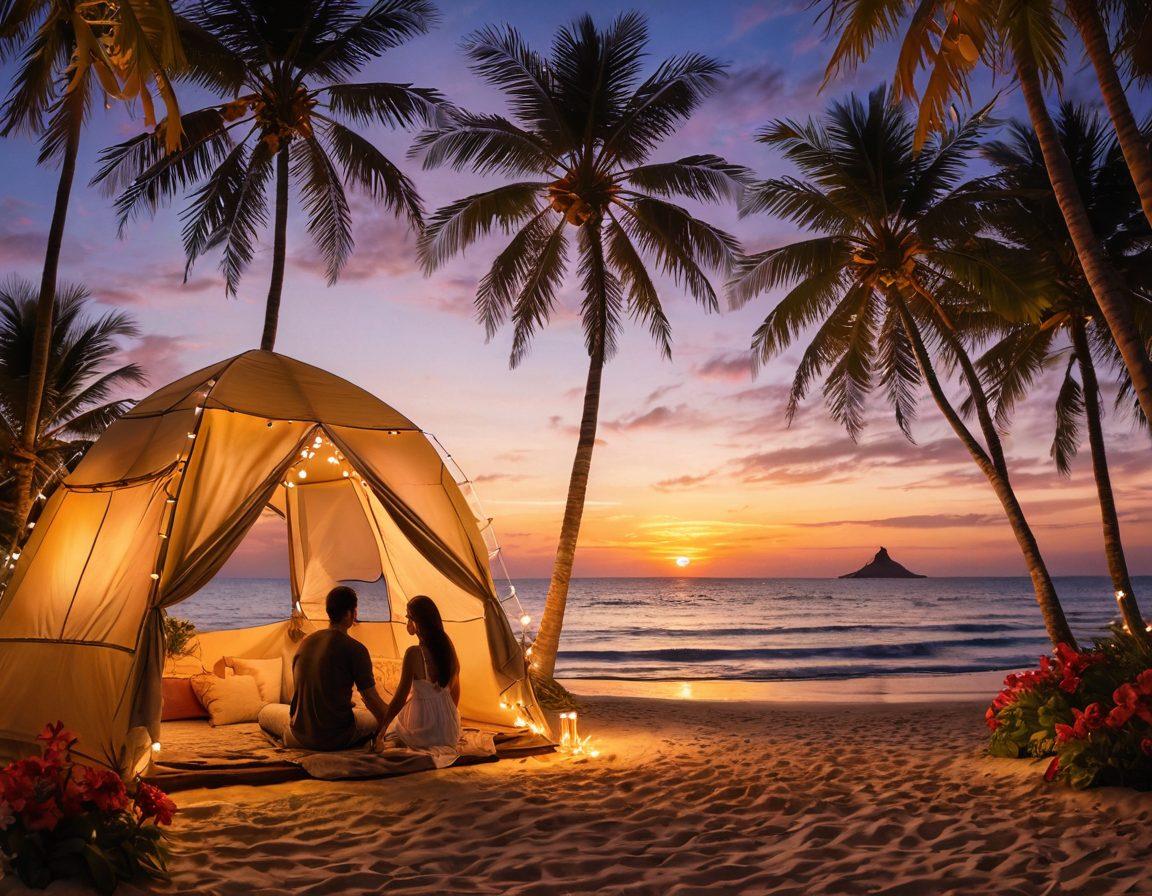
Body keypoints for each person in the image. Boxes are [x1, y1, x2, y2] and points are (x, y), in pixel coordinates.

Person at [258, 586, 390, 751]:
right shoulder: (356, 649)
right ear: (351, 613)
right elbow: (371, 699)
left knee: (265, 712)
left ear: (329, 612)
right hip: (335, 738)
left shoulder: (305, 642)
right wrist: (391, 718)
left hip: (299, 735)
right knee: (375, 719)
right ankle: (365, 740)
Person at [375, 595, 462, 751]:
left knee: (394, 729)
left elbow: (400, 697)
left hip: (424, 728)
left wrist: (382, 730)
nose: (407, 623)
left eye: (409, 618)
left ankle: (392, 736)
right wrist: (449, 715)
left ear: (418, 621)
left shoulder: (414, 653)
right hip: (448, 731)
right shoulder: (446, 645)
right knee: (410, 703)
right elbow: (455, 680)